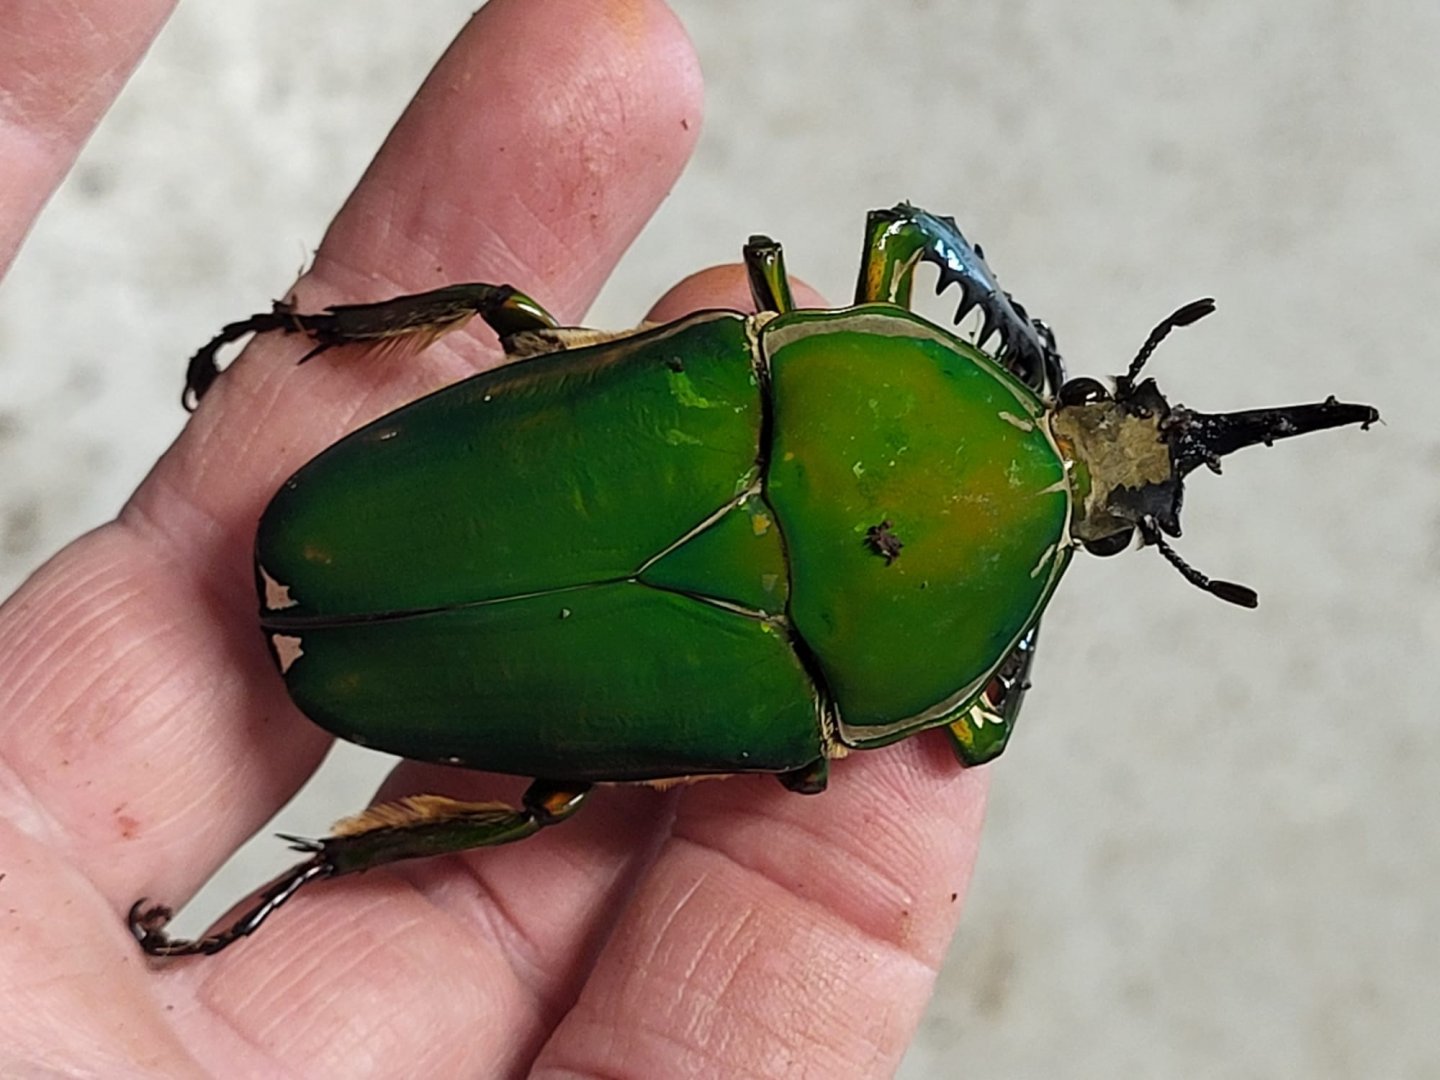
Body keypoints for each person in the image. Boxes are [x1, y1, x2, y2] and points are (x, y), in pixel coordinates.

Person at [0, 1, 987, 1073]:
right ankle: (322, 864)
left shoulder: (767, 375)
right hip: (368, 563)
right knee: (538, 809)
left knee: (498, 308)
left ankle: (321, 867)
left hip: (368, 542)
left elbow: (891, 242)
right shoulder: (824, 706)